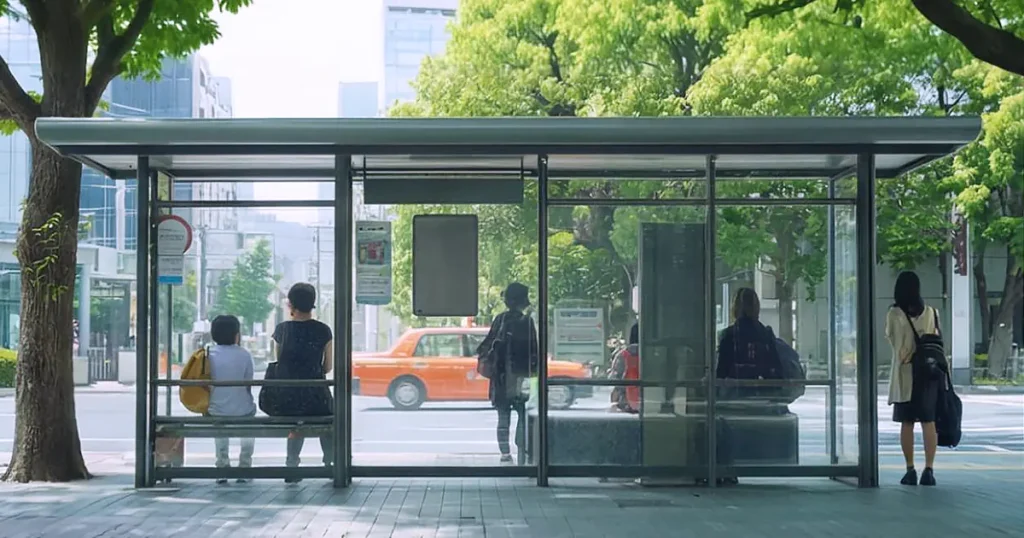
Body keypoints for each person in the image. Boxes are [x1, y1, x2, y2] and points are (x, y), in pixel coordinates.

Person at [272, 282, 334, 482]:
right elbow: (327, 367)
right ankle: (330, 463)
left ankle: (292, 465)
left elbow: (279, 362)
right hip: (316, 393)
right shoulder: (324, 330)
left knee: (296, 425)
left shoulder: (282, 330)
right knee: (328, 420)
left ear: (290, 304)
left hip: (288, 395)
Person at [887, 271, 942, 487]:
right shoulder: (930, 312)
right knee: (929, 422)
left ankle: (910, 470)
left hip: (905, 375)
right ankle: (929, 470)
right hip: (928, 375)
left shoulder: (894, 314)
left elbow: (892, 341)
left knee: (907, 422)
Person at [476, 283, 538, 464]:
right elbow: (533, 350)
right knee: (522, 415)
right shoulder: (527, 322)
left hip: (501, 376)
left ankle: (505, 454)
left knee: (503, 417)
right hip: (521, 376)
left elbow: (486, 345)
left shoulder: (500, 319)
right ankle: (522, 451)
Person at [207, 314, 257, 484]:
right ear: (237, 334)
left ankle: (222, 466)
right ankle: (244, 467)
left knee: (220, 434)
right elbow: (249, 382)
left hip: (216, 409)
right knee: (248, 428)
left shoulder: (207, 354)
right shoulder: (244, 354)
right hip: (243, 409)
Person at [716, 287, 783, 396]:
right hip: (763, 397)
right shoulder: (766, 334)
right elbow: (776, 371)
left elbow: (721, 373)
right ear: (756, 307)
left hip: (734, 397)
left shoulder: (729, 335)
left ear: (735, 308)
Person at [609, 323, 640, 413]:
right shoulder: (653, 354)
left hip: (626, 402)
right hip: (648, 401)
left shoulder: (623, 355)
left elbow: (615, 378)